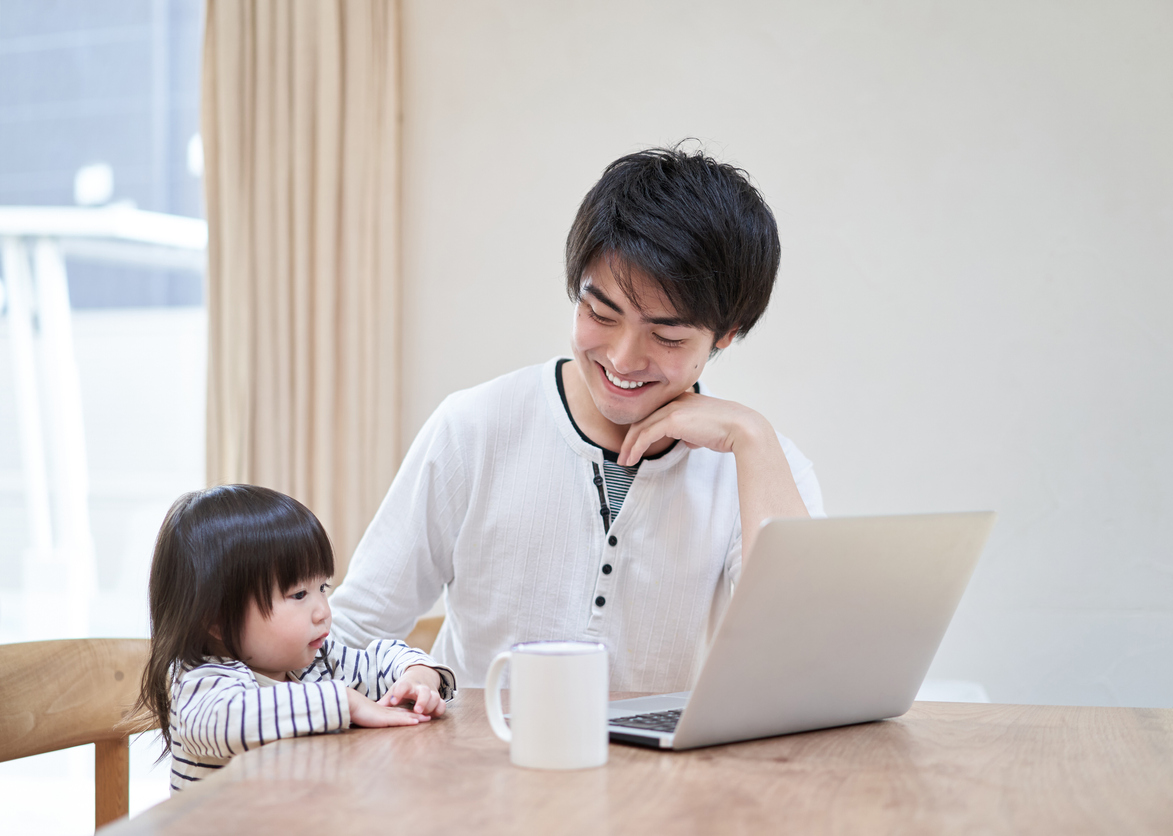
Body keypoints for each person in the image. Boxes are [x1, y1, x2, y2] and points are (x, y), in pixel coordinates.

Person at [331, 145, 824, 692]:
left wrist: (752, 438)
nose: (622, 358)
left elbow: (798, 667)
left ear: (726, 336)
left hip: (659, 776)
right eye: (600, 313)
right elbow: (356, 631)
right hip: (477, 767)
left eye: (667, 336)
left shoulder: (764, 468)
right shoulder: (475, 428)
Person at [133, 484, 455, 792]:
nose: (323, 612)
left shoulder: (316, 662)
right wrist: (344, 701)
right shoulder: (201, 681)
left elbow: (379, 659)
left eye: (323, 588)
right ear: (216, 619)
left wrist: (418, 677)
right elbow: (222, 720)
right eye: (300, 594)